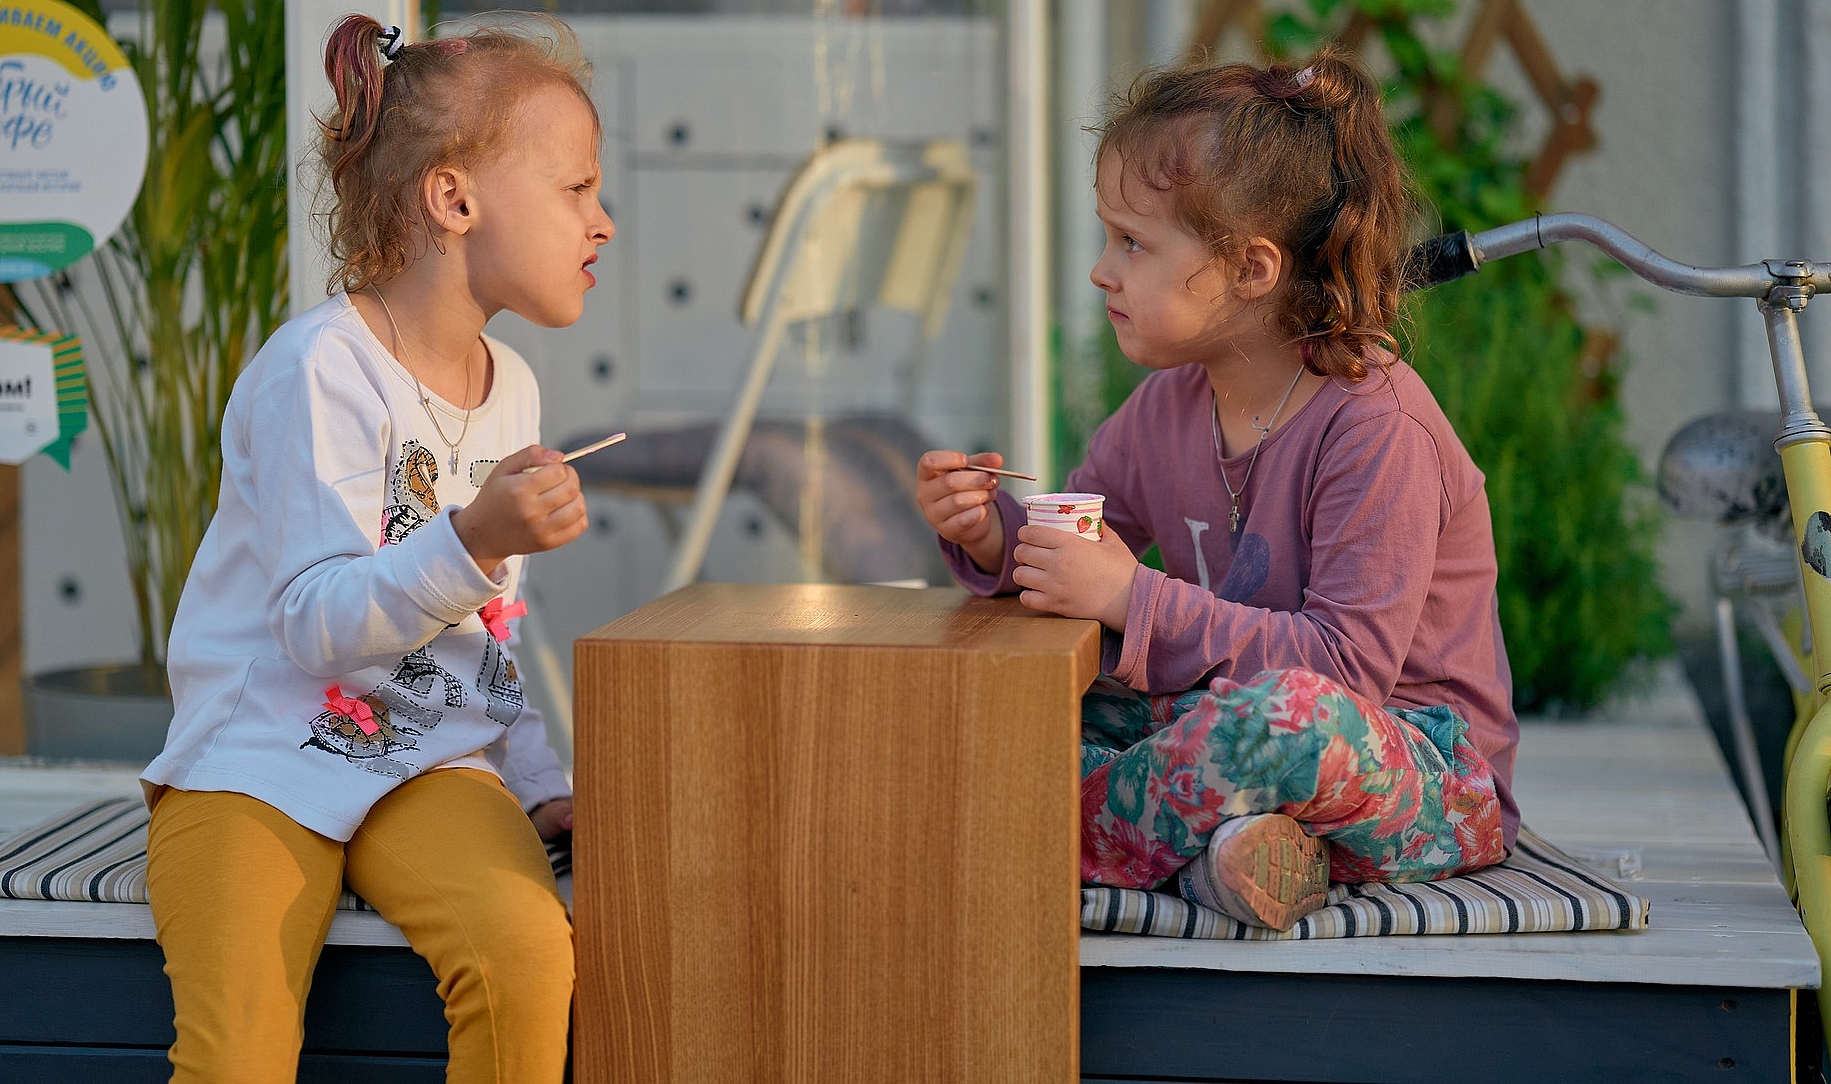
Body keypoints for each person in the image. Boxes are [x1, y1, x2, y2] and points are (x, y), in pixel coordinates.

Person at [916, 47, 1517, 932]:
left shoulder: (1376, 425)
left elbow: (1345, 674)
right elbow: (1080, 547)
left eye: (1132, 242)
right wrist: (990, 534)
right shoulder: (1167, 406)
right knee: (1028, 706)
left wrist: (1131, 597)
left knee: (1284, 720)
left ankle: (1018, 838)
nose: (1102, 269)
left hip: (1422, 773)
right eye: (1107, 236)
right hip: (1228, 734)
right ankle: (1230, 856)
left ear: (1250, 270)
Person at [139, 12, 614, 1081]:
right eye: (577, 188)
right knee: (238, 1049)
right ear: (454, 198)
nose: (603, 221)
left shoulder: (512, 385)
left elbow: (486, 629)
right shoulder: (317, 369)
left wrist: (539, 778)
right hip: (257, 764)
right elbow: (315, 624)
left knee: (526, 954)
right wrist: (474, 534)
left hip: (426, 762)